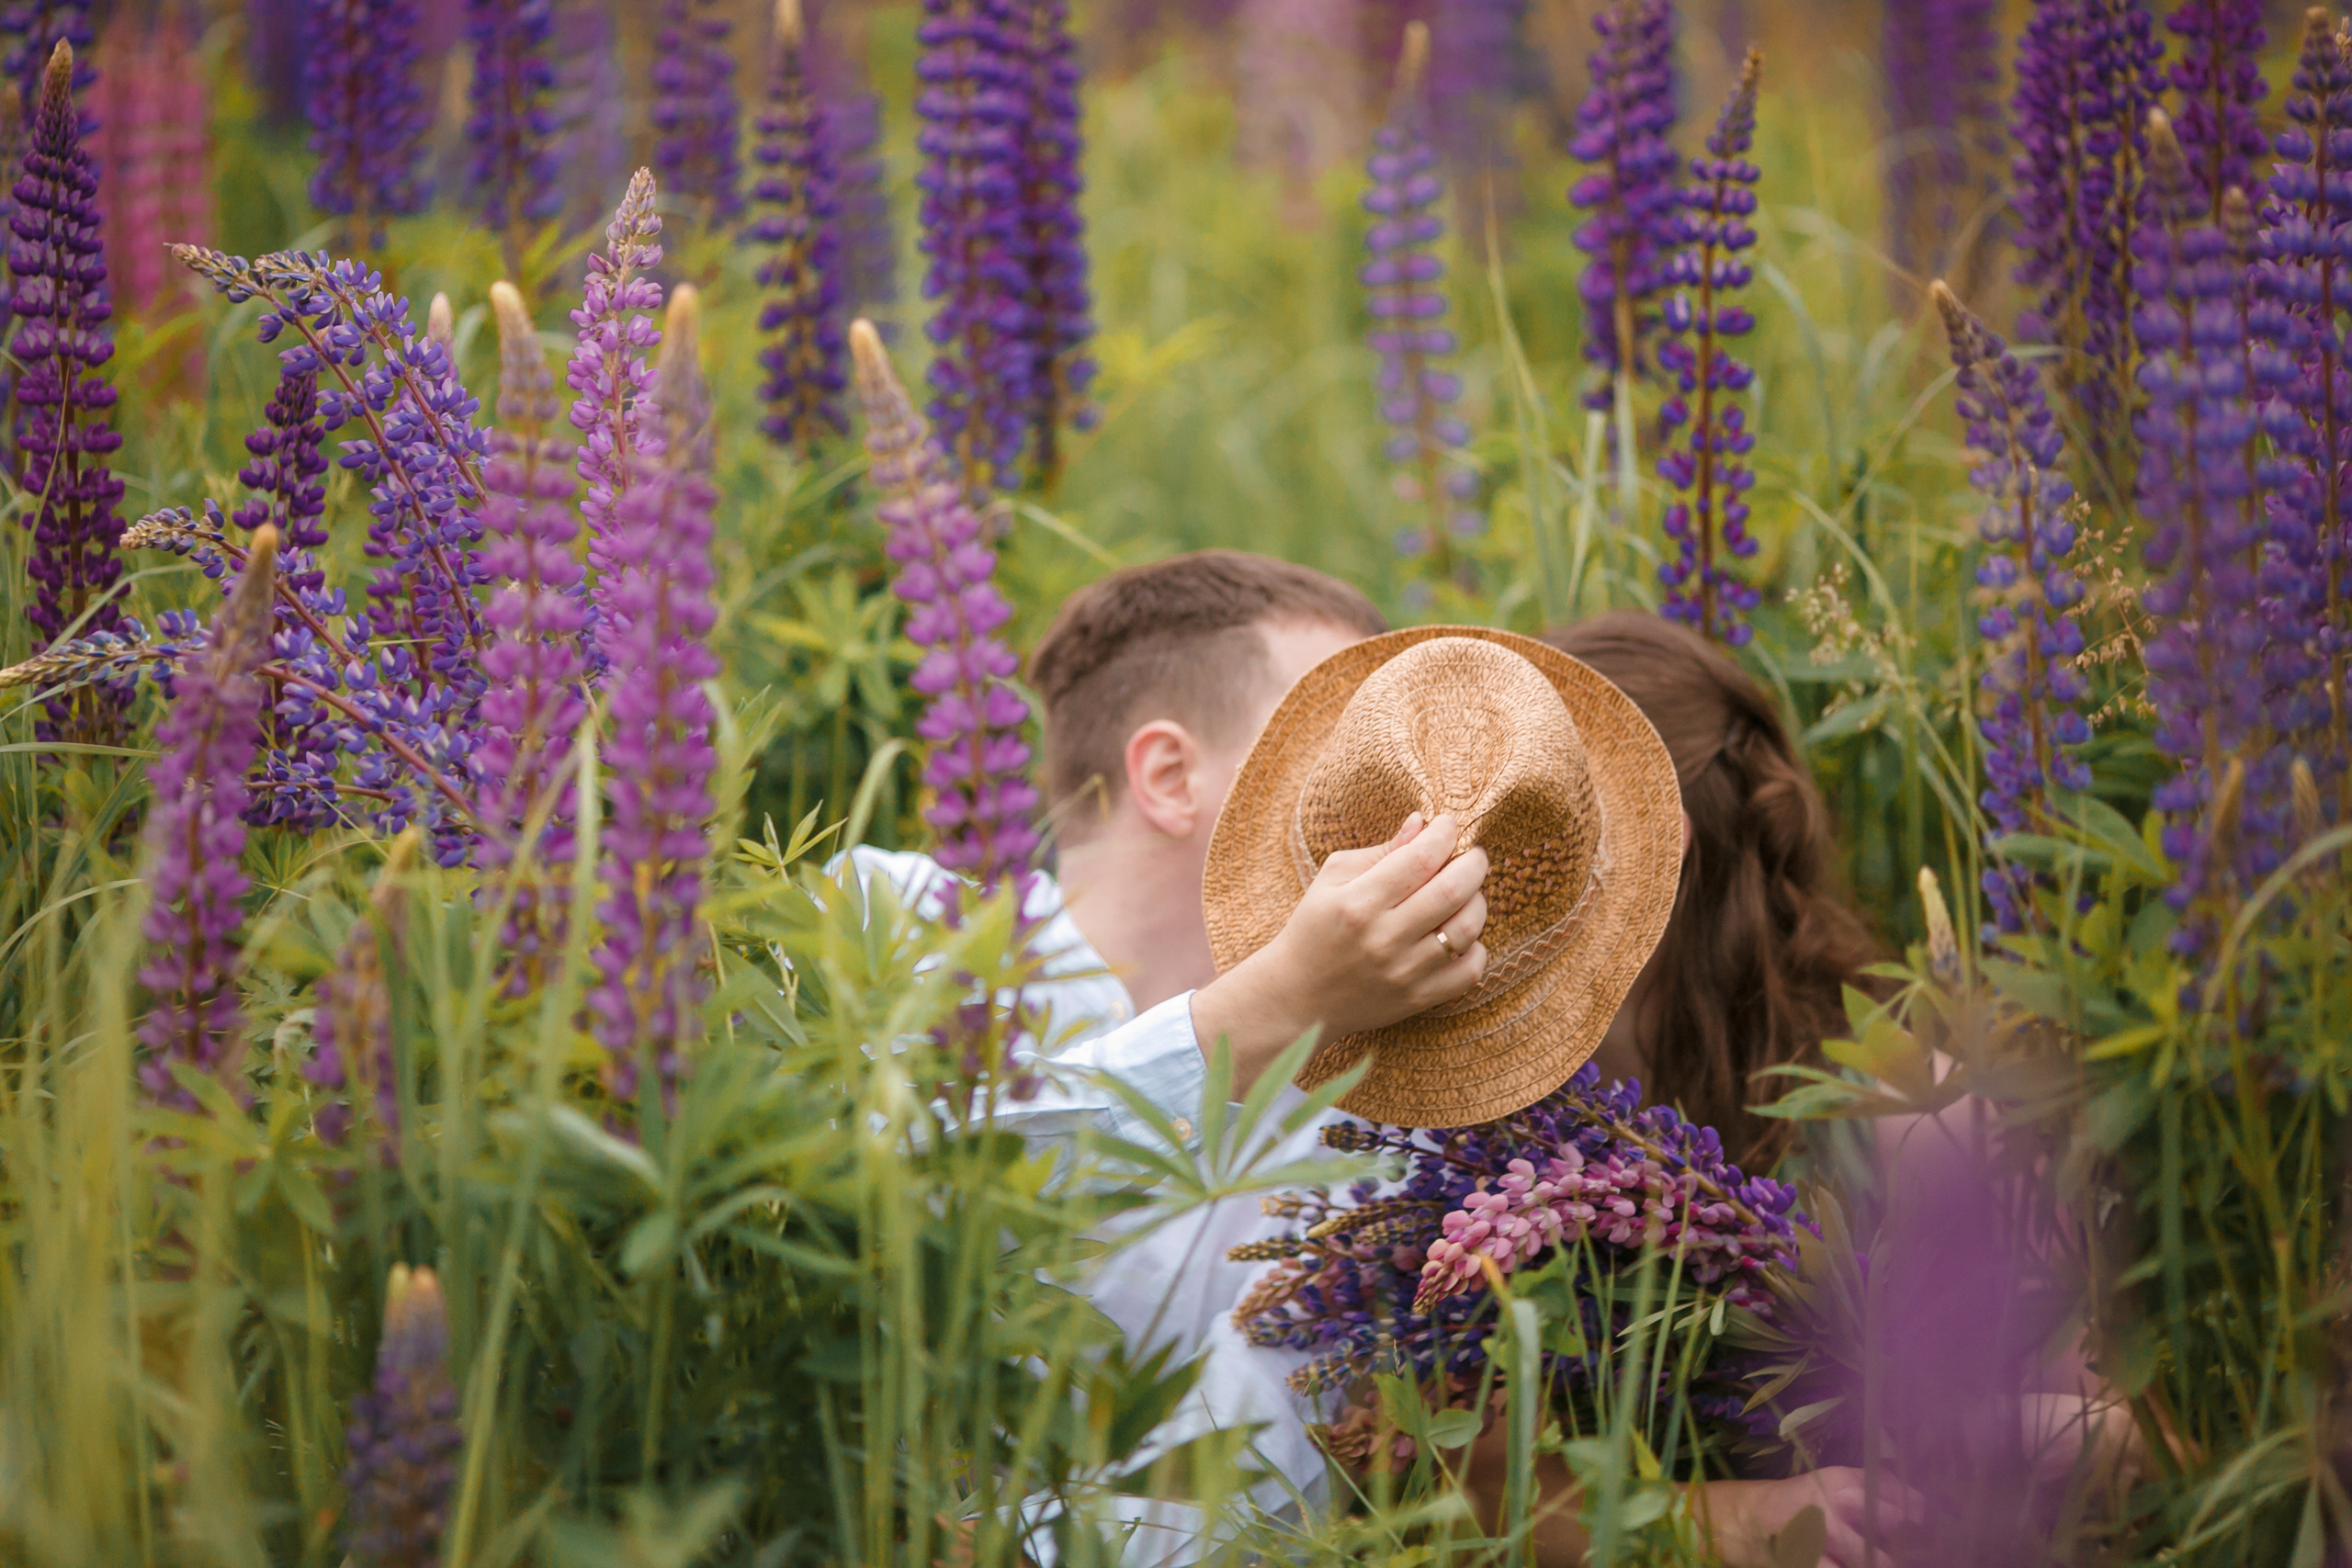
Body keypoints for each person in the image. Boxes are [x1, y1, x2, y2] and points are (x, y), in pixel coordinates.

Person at [1195, 613, 1911, 1568]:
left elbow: (2119, 1427)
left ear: (1650, 854)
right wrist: (1729, 1520)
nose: (1440, 933)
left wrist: (1982, 1443)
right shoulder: (1432, 1129)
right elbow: (1474, 1474)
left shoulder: (1892, 1098)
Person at [841, 551, 1501, 1562]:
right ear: (1168, 774)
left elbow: (1224, 1518)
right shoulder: (886, 918)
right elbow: (899, 1223)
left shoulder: (1364, 1122)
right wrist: (1271, 1004)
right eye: (1341, 749)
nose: (1395, 805)